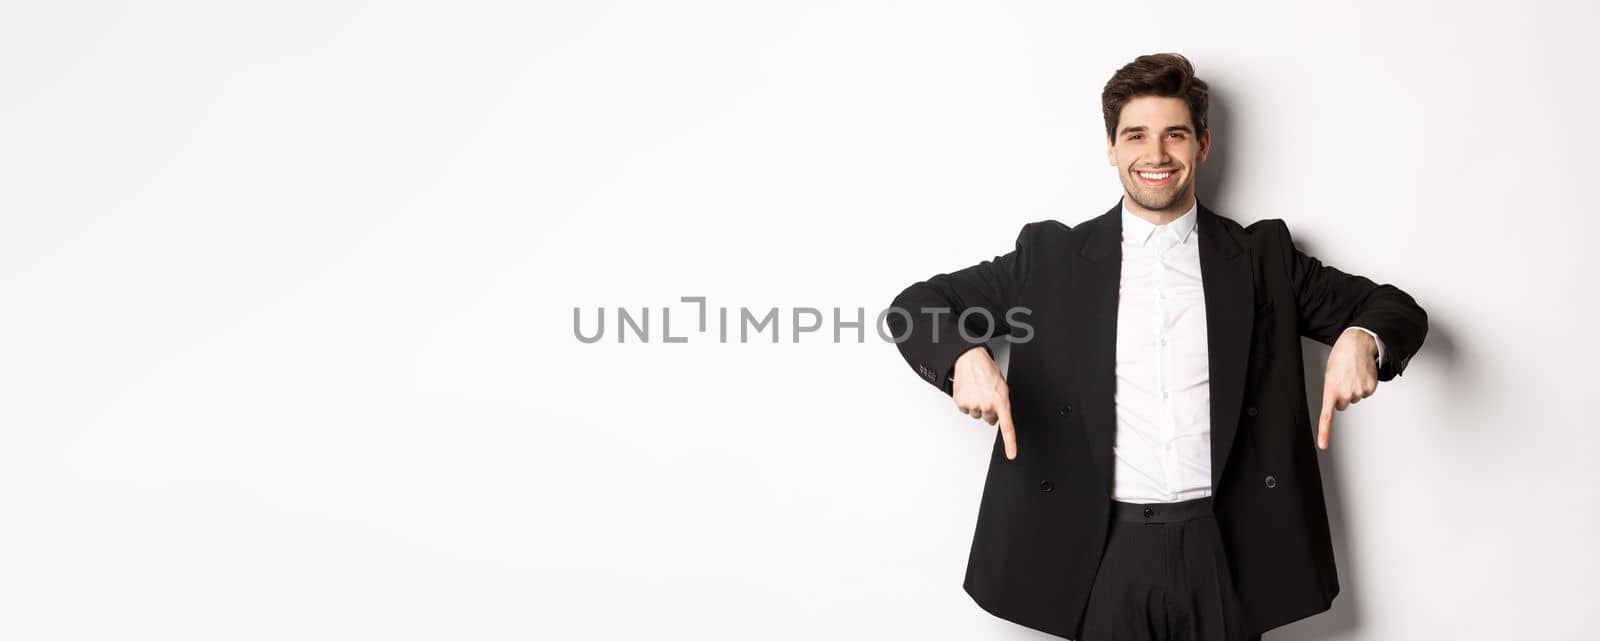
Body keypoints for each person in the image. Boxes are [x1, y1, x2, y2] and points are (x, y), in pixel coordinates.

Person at [886, 53, 1428, 641]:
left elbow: (1397, 309)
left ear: (1202, 144)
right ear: (1112, 148)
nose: (1156, 155)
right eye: (1135, 135)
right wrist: (964, 359)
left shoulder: (1260, 259)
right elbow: (914, 308)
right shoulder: (1051, 261)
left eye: (1175, 134)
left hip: (1224, 549)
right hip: (1099, 552)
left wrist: (1360, 338)